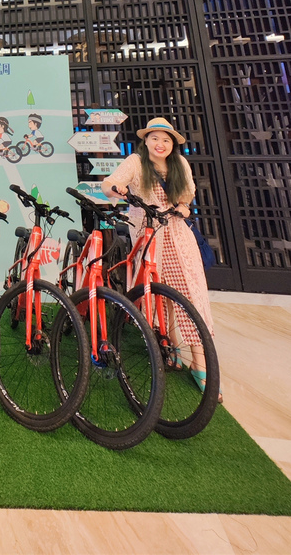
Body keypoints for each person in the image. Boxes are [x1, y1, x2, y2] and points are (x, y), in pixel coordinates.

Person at [101, 116, 217, 394]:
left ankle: (199, 362)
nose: (160, 144)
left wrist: (184, 207)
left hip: (178, 234)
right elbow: (109, 184)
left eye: (166, 140)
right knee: (158, 295)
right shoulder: (135, 162)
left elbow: (187, 196)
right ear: (146, 141)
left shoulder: (180, 164)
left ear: (173, 144)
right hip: (148, 234)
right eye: (154, 138)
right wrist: (116, 190)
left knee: (191, 294)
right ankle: (172, 348)